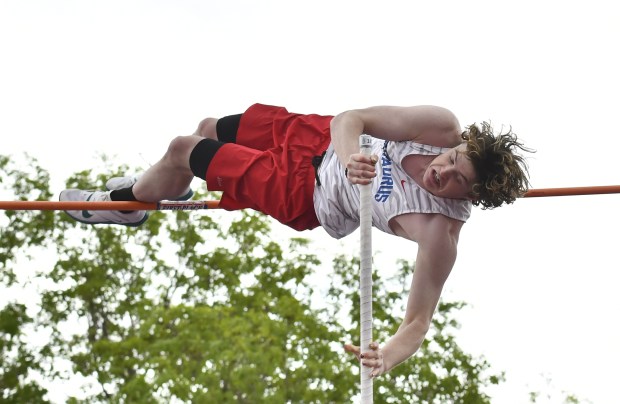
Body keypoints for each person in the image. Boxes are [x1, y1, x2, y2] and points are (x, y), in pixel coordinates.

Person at [60, 103, 531, 378]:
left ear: (472, 196)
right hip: (319, 141)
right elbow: (352, 119)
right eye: (451, 160)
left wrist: (384, 354)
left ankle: (121, 205)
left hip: (305, 192)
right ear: (457, 144)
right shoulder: (440, 128)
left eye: (453, 181)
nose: (440, 171)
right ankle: (164, 186)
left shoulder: (439, 233)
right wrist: (350, 158)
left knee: (184, 150)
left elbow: (417, 324)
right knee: (207, 129)